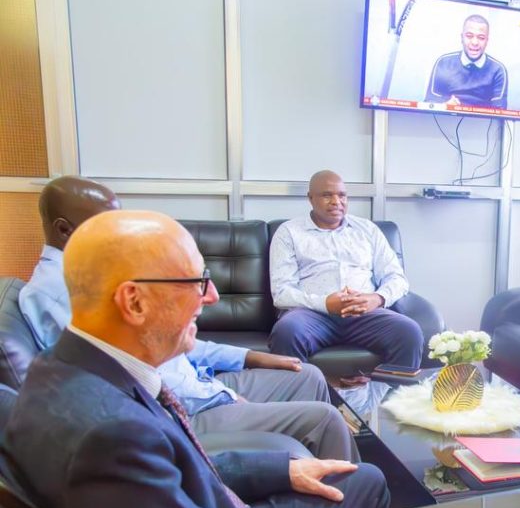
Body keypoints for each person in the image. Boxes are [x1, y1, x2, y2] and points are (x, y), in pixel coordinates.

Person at [0, 210, 390, 508]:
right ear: (134, 301)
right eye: (197, 281)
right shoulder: (111, 436)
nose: (212, 296)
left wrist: (280, 470)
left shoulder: (68, 368)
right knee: (367, 483)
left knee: (353, 476)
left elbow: (175, 468)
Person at [18, 176, 358, 462]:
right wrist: (224, 396)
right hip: (186, 410)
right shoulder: (63, 291)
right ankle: (353, 499)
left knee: (308, 375)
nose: (120, 234)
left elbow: (169, 340)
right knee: (325, 420)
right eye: (106, 225)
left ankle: (338, 472)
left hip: (199, 385)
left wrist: (250, 356)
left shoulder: (93, 273)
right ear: (64, 229)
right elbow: (138, 381)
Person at [268, 170, 423, 374]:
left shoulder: (367, 230)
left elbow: (396, 278)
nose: (336, 201)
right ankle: (305, 395)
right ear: (310, 198)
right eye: (327, 195)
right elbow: (282, 292)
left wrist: (376, 298)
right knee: (287, 331)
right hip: (312, 315)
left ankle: (391, 395)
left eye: (342, 195)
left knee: (409, 331)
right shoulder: (289, 232)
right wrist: (325, 303)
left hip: (364, 314)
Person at [424, 14, 508, 110]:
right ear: (462, 38)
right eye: (469, 36)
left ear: (487, 41)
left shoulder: (497, 70)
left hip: (482, 119)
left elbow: (500, 111)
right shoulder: (444, 62)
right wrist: (446, 106)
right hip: (447, 117)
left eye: (481, 38)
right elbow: (429, 103)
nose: (475, 42)